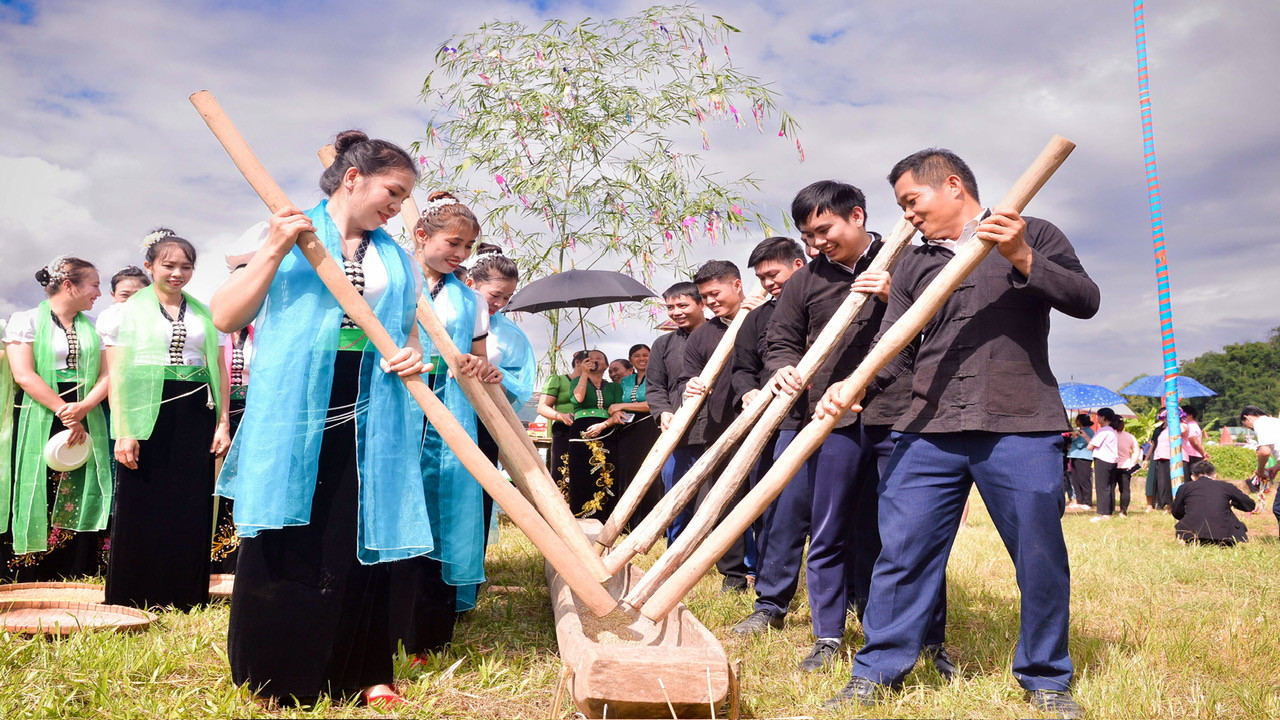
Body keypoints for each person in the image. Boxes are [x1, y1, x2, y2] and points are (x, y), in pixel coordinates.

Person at [818, 148, 1099, 718]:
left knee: (1038, 554)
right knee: (901, 552)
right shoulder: (916, 267)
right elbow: (896, 348)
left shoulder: (1031, 231)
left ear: (952, 185)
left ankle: (1045, 677)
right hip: (929, 427)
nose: (907, 216)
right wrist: (856, 384)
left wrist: (1020, 255)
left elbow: (1085, 301)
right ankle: (878, 670)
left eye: (911, 202)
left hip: (1019, 423)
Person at [212, 130, 428, 707]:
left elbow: (404, 331)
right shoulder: (281, 229)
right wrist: (275, 249)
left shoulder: (394, 256)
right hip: (296, 401)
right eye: (393, 190)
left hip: (374, 403)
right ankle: (274, 672)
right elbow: (226, 316)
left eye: (404, 196)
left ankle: (364, 669)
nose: (397, 205)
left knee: (360, 528)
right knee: (289, 529)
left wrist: (413, 355)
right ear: (353, 177)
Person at [392, 190, 503, 660]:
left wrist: (484, 369)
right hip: (396, 405)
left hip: (448, 414)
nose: (459, 254)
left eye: (466, 246)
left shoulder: (470, 300)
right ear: (421, 235)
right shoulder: (394, 278)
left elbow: (473, 359)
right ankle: (381, 626)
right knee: (393, 507)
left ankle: (427, 635)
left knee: (445, 514)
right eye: (452, 243)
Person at [102, 229, 231, 611]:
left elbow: (218, 370)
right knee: (143, 497)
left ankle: (185, 594)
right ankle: (133, 592)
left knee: (190, 501)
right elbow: (118, 376)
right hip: (145, 410)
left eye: (186, 267)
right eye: (168, 265)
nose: (177, 273)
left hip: (193, 411)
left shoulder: (205, 313)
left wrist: (223, 422)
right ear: (149, 266)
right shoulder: (122, 313)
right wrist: (124, 430)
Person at [1, 256, 112, 581]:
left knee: (77, 483)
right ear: (69, 285)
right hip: (39, 414)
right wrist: (66, 412)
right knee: (38, 482)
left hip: (86, 413)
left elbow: (108, 374)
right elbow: (24, 375)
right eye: (94, 285)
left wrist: (83, 408)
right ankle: (27, 572)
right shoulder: (27, 321)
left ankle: (76, 567)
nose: (99, 293)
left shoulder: (93, 328)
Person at [727, 237, 805, 626]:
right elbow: (741, 367)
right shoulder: (757, 318)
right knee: (776, 512)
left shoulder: (833, 299)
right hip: (772, 423)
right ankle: (771, 602)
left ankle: (856, 597)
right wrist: (749, 390)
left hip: (830, 416)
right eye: (761, 277)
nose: (769, 283)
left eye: (773, 274)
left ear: (798, 263)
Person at [680, 260, 756, 591]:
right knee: (725, 502)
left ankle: (769, 576)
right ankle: (734, 575)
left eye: (715, 293)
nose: (710, 301)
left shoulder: (763, 318)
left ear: (737, 285)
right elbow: (686, 377)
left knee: (767, 504)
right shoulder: (702, 337)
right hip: (719, 430)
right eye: (705, 296)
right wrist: (691, 385)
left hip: (763, 425)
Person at [465, 245, 536, 535]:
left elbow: (522, 380)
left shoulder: (509, 333)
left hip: (484, 418)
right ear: (471, 283)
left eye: (507, 298)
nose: (500, 303)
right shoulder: (445, 312)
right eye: (495, 295)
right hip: (437, 413)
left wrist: (499, 375)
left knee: (479, 486)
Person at [644, 282, 707, 543]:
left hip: (715, 429)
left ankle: (740, 567)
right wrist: (663, 413)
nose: (676, 312)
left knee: (721, 498)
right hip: (678, 433)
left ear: (701, 303)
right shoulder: (663, 344)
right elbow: (655, 386)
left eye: (683, 305)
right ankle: (674, 554)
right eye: (670, 307)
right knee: (675, 498)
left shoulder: (723, 335)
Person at [608, 343, 663, 529]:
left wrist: (622, 407)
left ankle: (648, 523)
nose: (642, 359)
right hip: (626, 430)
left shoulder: (658, 377)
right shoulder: (626, 381)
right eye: (637, 356)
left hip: (650, 428)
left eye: (646, 355)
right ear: (631, 360)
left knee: (649, 472)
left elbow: (654, 403)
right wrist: (615, 412)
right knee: (627, 473)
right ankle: (626, 522)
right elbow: (614, 404)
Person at [567, 349, 624, 518]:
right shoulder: (576, 381)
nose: (594, 360)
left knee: (607, 470)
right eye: (589, 359)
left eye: (599, 358)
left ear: (606, 365)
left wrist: (604, 424)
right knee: (581, 471)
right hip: (582, 429)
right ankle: (580, 513)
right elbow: (578, 398)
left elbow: (617, 410)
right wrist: (584, 374)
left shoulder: (614, 387)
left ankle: (605, 516)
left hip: (607, 429)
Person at [539, 350, 590, 498]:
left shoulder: (595, 384)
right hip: (564, 429)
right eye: (588, 361)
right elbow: (542, 407)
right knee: (561, 468)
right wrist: (560, 416)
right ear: (578, 362)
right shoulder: (559, 380)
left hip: (588, 430)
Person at [1172, 459, 1255, 545]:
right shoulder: (1226, 486)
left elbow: (1176, 511)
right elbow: (1249, 505)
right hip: (1223, 536)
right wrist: (1233, 503)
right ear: (1215, 475)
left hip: (1190, 536)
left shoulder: (1185, 487)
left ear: (1193, 477)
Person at [1240, 405, 1280, 532]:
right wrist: (1276, 467)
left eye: (1246, 425)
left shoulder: (1261, 424)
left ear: (1247, 417)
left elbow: (1264, 451)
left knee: (1279, 508)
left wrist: (1261, 470)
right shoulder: (1275, 422)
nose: (1249, 428)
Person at [1087, 407, 1120, 521]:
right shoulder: (1112, 430)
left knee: (1102, 487)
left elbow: (1090, 446)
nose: (1097, 418)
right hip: (1112, 461)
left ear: (1103, 417)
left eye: (1099, 416)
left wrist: (1085, 437)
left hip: (1103, 459)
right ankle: (1109, 510)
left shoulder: (1104, 430)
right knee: (1109, 486)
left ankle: (1104, 513)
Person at [1112, 418, 1141, 518]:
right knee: (1125, 490)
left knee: (1110, 489)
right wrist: (1132, 462)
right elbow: (1137, 450)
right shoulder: (1130, 437)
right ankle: (1123, 511)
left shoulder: (1111, 435)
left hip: (1112, 465)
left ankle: (1110, 509)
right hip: (1126, 466)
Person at [1065, 413, 1094, 510]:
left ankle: (1087, 502)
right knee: (1076, 480)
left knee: (1084, 480)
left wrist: (1075, 437)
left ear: (1080, 421)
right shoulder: (1081, 430)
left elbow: (1081, 445)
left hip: (1084, 457)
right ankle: (1079, 500)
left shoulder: (1088, 431)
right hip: (1075, 456)